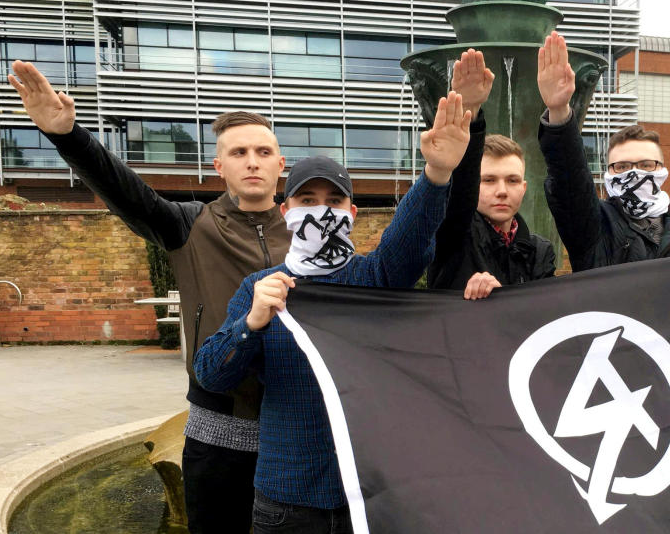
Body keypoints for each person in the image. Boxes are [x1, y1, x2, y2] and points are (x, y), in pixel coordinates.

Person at [8, 60, 291, 533]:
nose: (252, 160)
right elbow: (127, 191)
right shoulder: (189, 224)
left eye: (263, 151)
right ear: (219, 166)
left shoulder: (310, 233)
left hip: (293, 425)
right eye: (239, 152)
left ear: (281, 164)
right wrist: (67, 135)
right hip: (217, 431)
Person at [193, 91, 472, 533]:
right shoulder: (261, 288)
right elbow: (212, 375)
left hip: (369, 496)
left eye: (333, 201)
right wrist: (250, 325)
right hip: (287, 499)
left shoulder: (374, 279)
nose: (320, 210)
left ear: (352, 213)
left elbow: (411, 237)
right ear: (285, 212)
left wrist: (437, 173)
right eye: (306, 200)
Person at [535, 32, 670, 272]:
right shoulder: (594, 227)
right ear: (609, 173)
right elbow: (569, 180)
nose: (634, 174)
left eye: (645, 165)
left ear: (662, 171)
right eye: (623, 166)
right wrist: (559, 110)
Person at [427, 49, 556, 299]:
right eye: (488, 180)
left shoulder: (541, 251)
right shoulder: (451, 234)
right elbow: (461, 187)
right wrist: (470, 113)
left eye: (512, 180)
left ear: (524, 188)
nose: (501, 190)